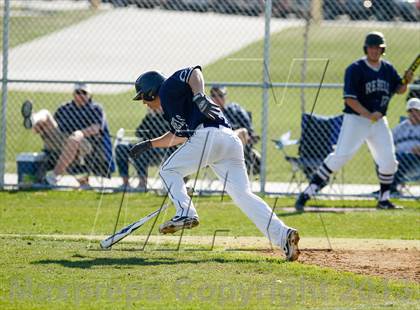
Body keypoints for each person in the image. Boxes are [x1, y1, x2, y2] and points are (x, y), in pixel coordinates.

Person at [129, 67, 300, 261]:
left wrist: (200, 95)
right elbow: (180, 135)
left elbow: (194, 72)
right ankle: (284, 235)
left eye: (144, 96)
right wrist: (150, 144)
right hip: (228, 141)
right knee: (243, 195)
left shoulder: (168, 86)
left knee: (168, 170)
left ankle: (185, 212)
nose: (143, 102)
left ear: (152, 91)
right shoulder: (172, 105)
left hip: (209, 136)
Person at [295, 31, 413, 211]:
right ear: (366, 49)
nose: (374, 51)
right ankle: (307, 194)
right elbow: (349, 99)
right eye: (371, 47)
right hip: (356, 119)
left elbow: (399, 89)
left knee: (389, 161)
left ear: (383, 50)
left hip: (378, 121)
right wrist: (368, 114)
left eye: (378, 48)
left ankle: (384, 199)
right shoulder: (355, 69)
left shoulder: (387, 68)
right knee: (340, 157)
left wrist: (406, 82)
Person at [21, 82, 114, 187]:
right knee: (46, 114)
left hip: (86, 143)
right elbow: (51, 128)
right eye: (78, 92)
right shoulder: (65, 108)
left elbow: (96, 128)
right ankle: (33, 119)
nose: (81, 95)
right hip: (62, 139)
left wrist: (81, 133)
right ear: (73, 94)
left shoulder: (95, 108)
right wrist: (38, 128)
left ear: (90, 95)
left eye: (84, 92)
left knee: (74, 139)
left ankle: (53, 177)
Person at [115, 105, 176, 191]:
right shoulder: (150, 117)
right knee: (121, 148)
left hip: (161, 149)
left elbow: (164, 132)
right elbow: (138, 132)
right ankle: (125, 183)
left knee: (141, 150)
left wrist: (157, 117)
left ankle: (142, 183)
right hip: (146, 145)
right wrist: (152, 116)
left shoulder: (169, 116)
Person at [210, 85, 261, 176]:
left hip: (235, 147)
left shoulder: (235, 110)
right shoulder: (207, 112)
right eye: (213, 95)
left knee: (242, 132)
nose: (217, 99)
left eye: (220, 95)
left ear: (226, 96)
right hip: (214, 147)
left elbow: (249, 132)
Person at [390, 97, 420, 192]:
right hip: (398, 157)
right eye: (410, 111)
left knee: (403, 158)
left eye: (416, 111)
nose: (413, 114)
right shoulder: (400, 128)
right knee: (384, 158)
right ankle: (388, 188)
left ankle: (391, 188)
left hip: (415, 159)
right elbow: (388, 141)